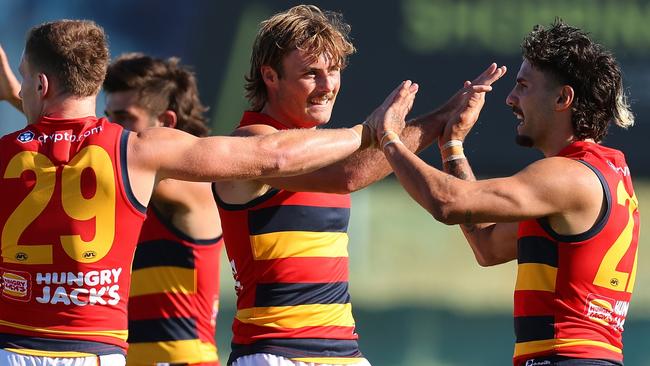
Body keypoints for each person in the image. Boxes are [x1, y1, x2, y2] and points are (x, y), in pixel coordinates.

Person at [0, 19, 415, 366]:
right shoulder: (138, 153)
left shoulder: (24, 156)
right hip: (101, 352)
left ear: (39, 84)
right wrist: (374, 132)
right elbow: (270, 157)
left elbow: (68, 151)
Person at [213, 5, 506, 366]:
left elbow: (354, 166)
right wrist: (428, 121)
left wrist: (442, 123)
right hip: (275, 352)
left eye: (333, 71)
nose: (327, 86)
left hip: (343, 352)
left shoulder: (319, 145)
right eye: (311, 74)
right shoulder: (251, 141)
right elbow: (348, 176)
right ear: (270, 76)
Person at [374, 20, 638, 366]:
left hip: (566, 358)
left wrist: (388, 138)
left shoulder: (568, 177)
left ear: (563, 98)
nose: (511, 99)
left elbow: (448, 202)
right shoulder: (599, 173)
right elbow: (488, 246)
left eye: (524, 86)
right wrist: (453, 146)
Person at [103, 53, 223, 366]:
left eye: (124, 118)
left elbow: (95, 156)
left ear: (166, 123)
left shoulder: (190, 186)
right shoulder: (126, 184)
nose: (111, 131)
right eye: (107, 119)